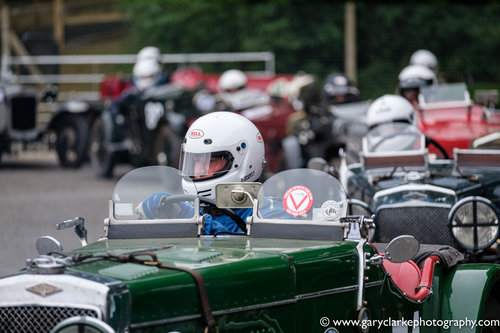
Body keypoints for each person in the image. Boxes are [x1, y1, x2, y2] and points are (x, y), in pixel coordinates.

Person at [138, 111, 267, 235]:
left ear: (245, 162)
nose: (198, 172)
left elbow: (243, 249)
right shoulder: (188, 208)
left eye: (209, 162)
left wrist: (198, 222)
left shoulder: (265, 213)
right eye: (195, 162)